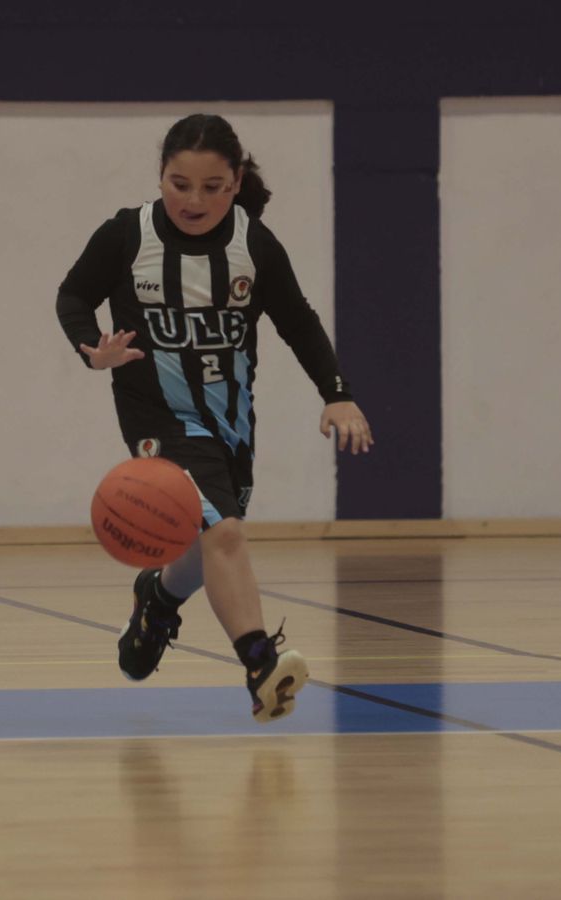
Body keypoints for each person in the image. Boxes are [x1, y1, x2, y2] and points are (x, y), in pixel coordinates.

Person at [55, 114, 374, 722]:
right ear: (160, 178)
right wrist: (91, 346)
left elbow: (298, 321)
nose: (192, 199)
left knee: (207, 542)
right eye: (179, 183)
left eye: (210, 186)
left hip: (230, 422)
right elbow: (73, 294)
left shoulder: (253, 245)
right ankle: (259, 661)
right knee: (224, 532)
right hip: (156, 417)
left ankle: (158, 599)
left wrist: (335, 391)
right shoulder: (127, 235)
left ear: (235, 183)